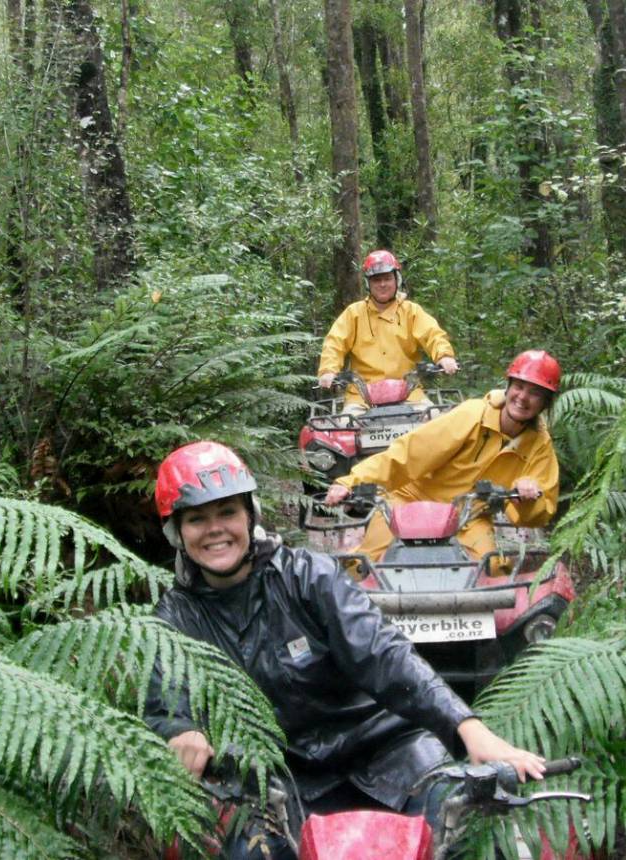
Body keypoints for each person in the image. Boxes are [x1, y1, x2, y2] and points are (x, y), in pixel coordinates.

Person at [144, 440, 545, 858]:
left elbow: (385, 655)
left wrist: (468, 728)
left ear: (250, 515)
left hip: (390, 750)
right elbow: (163, 697)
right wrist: (179, 728)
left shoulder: (308, 577)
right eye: (197, 518)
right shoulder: (175, 617)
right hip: (278, 779)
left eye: (227, 512)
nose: (215, 529)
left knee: (474, 834)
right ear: (177, 531)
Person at [323, 350, 562, 566]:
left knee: (492, 572)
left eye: (535, 393)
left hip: (470, 517)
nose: (523, 397)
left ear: (545, 403)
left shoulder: (539, 446)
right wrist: (351, 481)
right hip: (412, 501)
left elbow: (541, 511)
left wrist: (528, 498)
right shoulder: (472, 415)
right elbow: (408, 454)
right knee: (366, 565)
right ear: (508, 387)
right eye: (519, 386)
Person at [317, 249, 459, 411]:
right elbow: (335, 343)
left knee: (434, 424)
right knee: (347, 429)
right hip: (362, 396)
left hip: (409, 392)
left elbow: (432, 334)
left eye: (387, 278)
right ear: (368, 283)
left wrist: (445, 356)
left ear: (396, 279)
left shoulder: (411, 311)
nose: (382, 284)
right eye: (376, 280)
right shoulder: (354, 313)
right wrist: (328, 370)